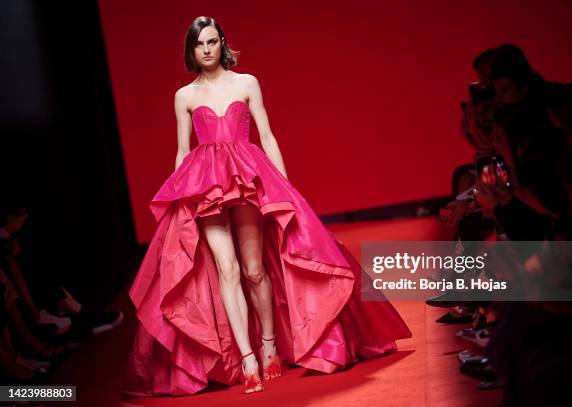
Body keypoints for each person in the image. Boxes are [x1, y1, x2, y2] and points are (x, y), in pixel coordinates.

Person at [121, 16, 411, 396]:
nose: (206, 49)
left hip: (247, 179)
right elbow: (181, 151)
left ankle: (270, 344)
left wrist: (285, 186)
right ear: (191, 51)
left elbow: (267, 134)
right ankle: (247, 358)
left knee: (254, 269)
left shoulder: (247, 83)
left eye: (211, 41)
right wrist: (180, 199)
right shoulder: (184, 96)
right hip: (204, 186)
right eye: (199, 45)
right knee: (226, 269)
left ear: (222, 42)